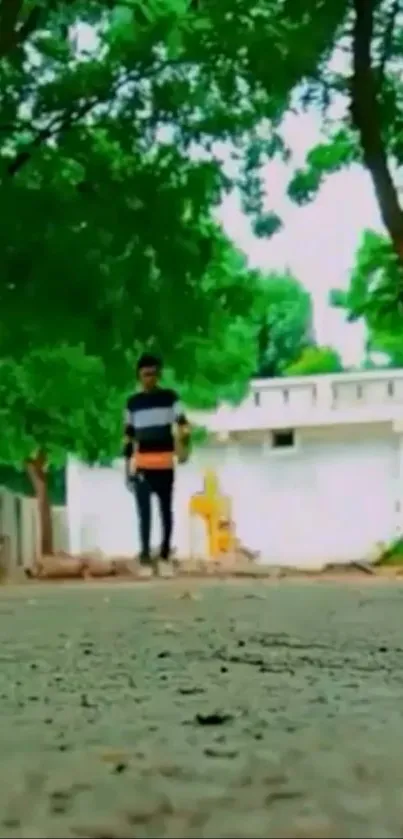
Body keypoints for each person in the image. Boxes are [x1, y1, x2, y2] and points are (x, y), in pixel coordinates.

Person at [123, 353, 190, 567]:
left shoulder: (170, 398)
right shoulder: (132, 404)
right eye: (145, 374)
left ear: (158, 374)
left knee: (165, 510)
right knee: (144, 513)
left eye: (153, 374)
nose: (149, 378)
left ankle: (164, 552)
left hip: (164, 463)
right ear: (139, 376)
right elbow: (128, 437)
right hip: (142, 465)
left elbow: (183, 424)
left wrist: (182, 445)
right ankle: (144, 553)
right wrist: (127, 469)